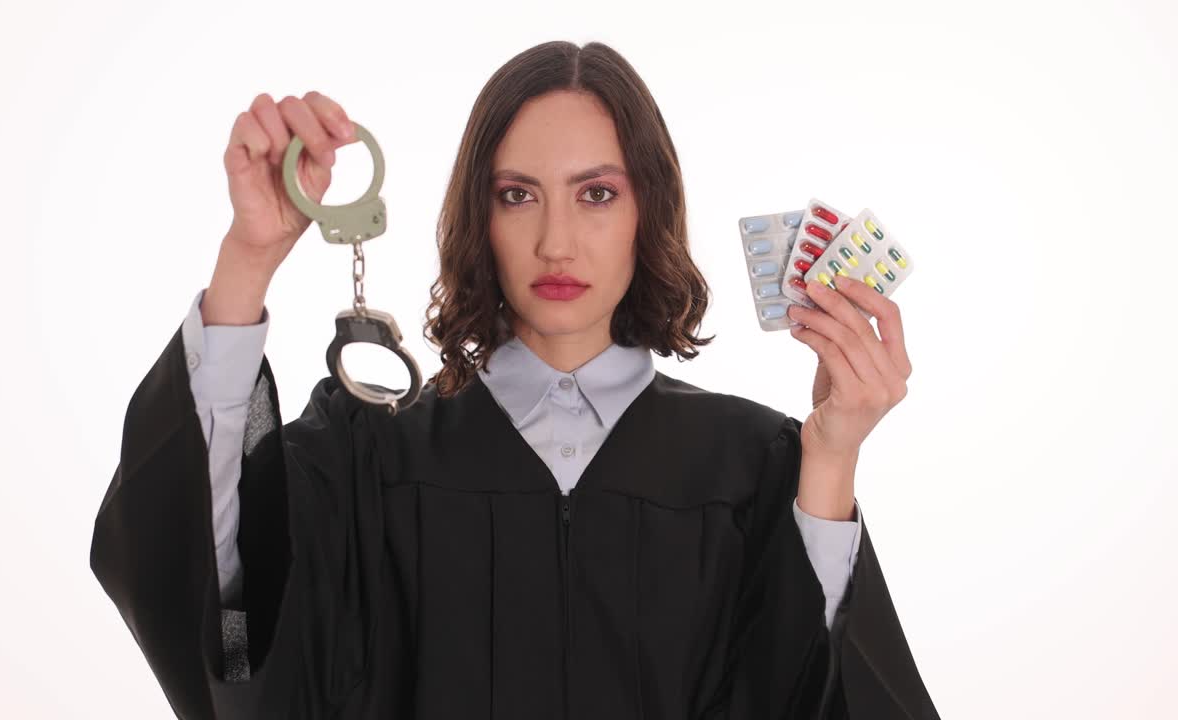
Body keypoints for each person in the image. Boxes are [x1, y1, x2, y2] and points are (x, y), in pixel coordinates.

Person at [90, 40, 939, 719]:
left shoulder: (752, 464)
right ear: (478, 214)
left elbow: (807, 698)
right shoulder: (373, 450)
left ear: (649, 209)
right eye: (518, 195)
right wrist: (248, 261)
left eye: (597, 194)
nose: (557, 243)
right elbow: (214, 592)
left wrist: (828, 462)